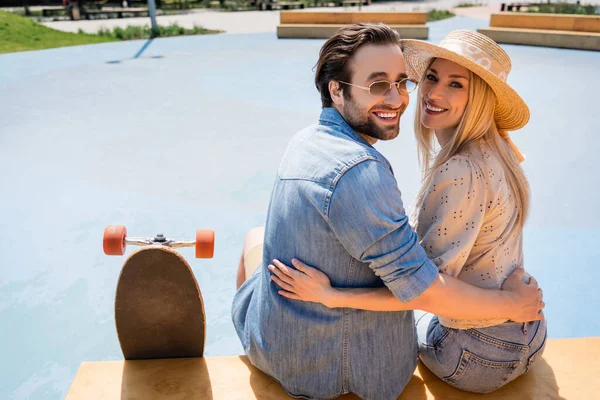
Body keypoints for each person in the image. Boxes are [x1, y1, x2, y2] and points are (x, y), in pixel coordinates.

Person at [232, 24, 544, 400]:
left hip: (475, 352)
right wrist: (512, 303)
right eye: (428, 78)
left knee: (256, 242)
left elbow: (423, 291)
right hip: (525, 336)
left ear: (479, 99)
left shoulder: (306, 142)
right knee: (257, 237)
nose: (400, 98)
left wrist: (334, 296)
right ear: (337, 89)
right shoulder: (501, 151)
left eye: (400, 82)